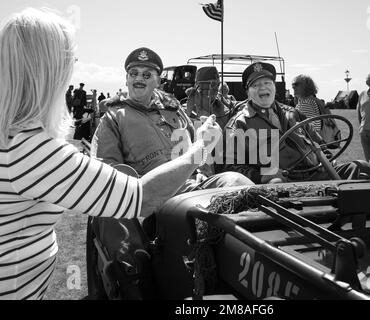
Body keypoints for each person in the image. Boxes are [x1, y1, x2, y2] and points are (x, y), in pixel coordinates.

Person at [0, 8, 223, 300]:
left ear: (158, 80)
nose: (73, 70)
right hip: (15, 289)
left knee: (232, 182)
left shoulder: (16, 136)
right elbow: (137, 196)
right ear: (48, 70)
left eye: (147, 74)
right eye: (70, 61)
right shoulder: (32, 148)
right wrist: (201, 149)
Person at [91, 48, 253, 192]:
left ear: (158, 81)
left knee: (236, 181)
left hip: (191, 186)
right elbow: (107, 170)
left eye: (147, 75)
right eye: (134, 74)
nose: (139, 79)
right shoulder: (113, 118)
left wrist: (202, 172)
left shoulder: (174, 112)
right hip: (151, 194)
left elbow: (198, 147)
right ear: (127, 79)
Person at [222, 62, 370, 184]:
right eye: (256, 85)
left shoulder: (294, 114)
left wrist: (327, 162)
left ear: (274, 87)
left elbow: (319, 146)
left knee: (362, 168)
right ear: (248, 92)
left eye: (267, 82)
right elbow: (229, 167)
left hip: (315, 173)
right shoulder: (239, 124)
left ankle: (364, 219)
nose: (263, 87)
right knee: (276, 184)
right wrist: (262, 176)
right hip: (282, 181)